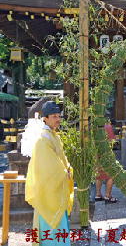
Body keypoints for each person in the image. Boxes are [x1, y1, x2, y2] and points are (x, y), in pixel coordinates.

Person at [25, 101, 74, 245]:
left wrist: (68, 168)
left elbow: (61, 158)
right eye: (54, 116)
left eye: (59, 116)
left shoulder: (53, 136)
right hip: (48, 190)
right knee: (49, 225)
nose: (58, 119)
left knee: (59, 223)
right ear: (45, 118)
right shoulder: (42, 139)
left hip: (56, 189)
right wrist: (64, 172)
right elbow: (48, 165)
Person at [95, 120, 118, 203]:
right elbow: (112, 140)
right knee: (111, 175)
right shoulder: (108, 127)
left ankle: (98, 195)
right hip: (106, 154)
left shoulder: (94, 127)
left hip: (97, 154)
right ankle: (108, 196)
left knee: (99, 175)